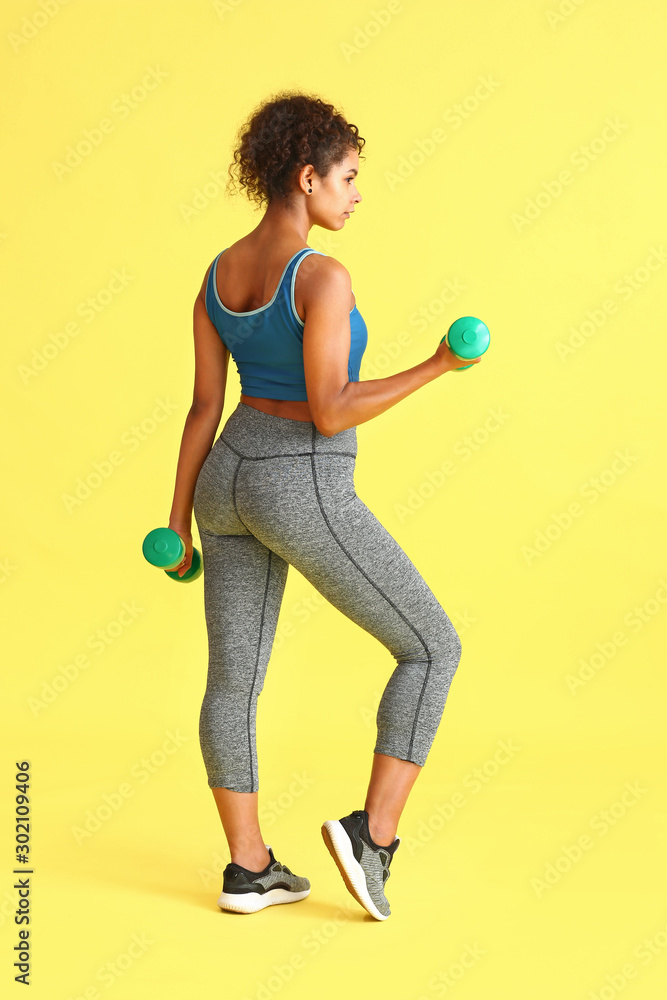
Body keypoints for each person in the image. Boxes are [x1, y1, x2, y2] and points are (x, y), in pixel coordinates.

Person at [166, 91, 481, 920]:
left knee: (232, 682)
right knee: (431, 649)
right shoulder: (322, 276)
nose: (355, 193)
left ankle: (248, 868)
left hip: (223, 478)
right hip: (296, 478)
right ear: (306, 179)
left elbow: (204, 405)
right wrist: (436, 365)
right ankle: (370, 839)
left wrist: (175, 518)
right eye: (346, 177)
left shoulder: (218, 272)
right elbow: (330, 408)